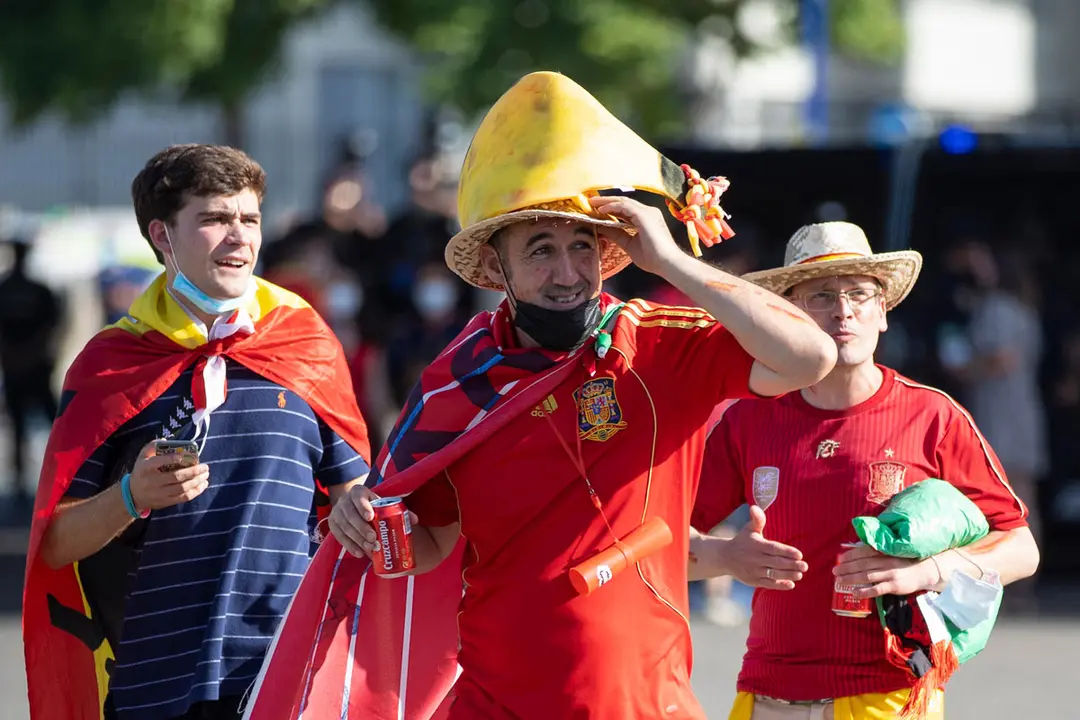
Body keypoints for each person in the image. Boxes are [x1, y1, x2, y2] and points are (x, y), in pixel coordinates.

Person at [304, 70, 838, 720]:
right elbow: (432, 543)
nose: (567, 272)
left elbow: (810, 356)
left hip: (647, 704)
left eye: (582, 246)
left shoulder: (660, 345)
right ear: (497, 268)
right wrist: (365, 522)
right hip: (493, 705)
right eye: (541, 250)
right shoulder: (458, 380)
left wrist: (671, 260)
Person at [22, 144, 373, 720]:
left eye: (250, 219)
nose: (240, 237)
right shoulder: (110, 364)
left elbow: (354, 504)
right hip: (154, 683)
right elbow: (54, 543)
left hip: (291, 675)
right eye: (214, 219)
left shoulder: (306, 345)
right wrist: (131, 498)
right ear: (162, 235)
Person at [689, 221, 1040, 720]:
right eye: (821, 296)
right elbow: (664, 541)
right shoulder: (749, 418)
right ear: (789, 315)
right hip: (768, 691)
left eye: (859, 293)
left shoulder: (933, 416)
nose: (843, 310)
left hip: (891, 694)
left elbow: (1021, 549)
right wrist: (724, 556)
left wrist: (927, 571)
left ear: (884, 313)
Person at [0, 236, 62, 502]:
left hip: (29, 368)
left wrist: (23, 354)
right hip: (23, 367)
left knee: (55, 424)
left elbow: (52, 326)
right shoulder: (27, 289)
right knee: (25, 427)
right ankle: (22, 481)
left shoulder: (35, 290)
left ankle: (60, 473)